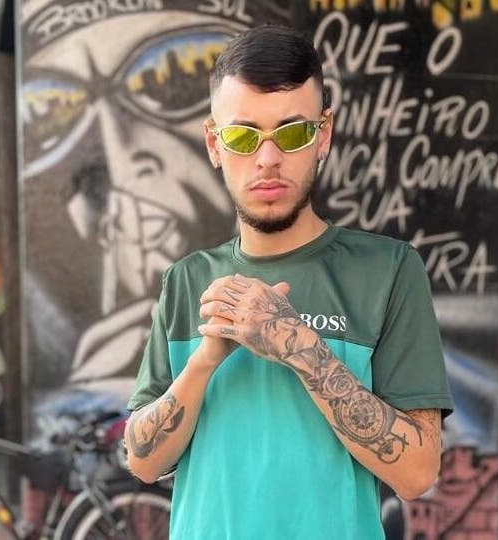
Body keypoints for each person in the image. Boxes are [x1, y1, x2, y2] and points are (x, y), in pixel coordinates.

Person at [123, 25, 453, 539]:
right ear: (214, 144)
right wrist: (204, 360)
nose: (268, 159)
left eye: (293, 132)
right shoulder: (186, 280)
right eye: (242, 136)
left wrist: (300, 347)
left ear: (324, 134)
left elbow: (417, 474)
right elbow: (142, 462)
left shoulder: (387, 271)